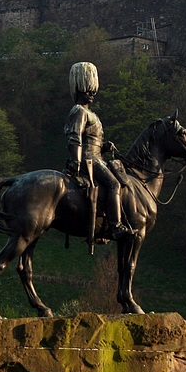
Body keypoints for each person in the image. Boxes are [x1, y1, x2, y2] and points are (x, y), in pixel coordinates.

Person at [64, 62, 133, 240]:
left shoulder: (89, 113)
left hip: (97, 157)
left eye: (93, 90)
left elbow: (89, 140)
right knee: (114, 185)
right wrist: (76, 162)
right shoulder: (79, 111)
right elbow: (75, 138)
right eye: (88, 90)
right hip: (89, 161)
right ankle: (115, 226)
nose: (92, 93)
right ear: (79, 89)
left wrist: (103, 146)